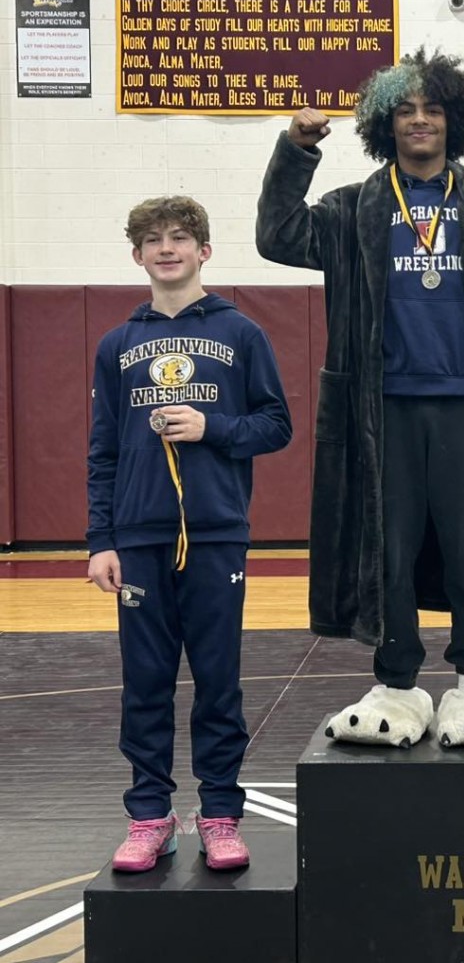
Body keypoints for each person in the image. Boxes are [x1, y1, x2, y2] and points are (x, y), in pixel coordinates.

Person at [256, 47, 464, 748]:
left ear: (455, 119)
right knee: (388, 550)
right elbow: (277, 236)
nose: (419, 119)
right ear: (385, 124)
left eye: (433, 108)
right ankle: (397, 682)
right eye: (405, 110)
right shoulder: (354, 208)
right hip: (382, 411)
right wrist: (296, 151)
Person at [87, 197, 292, 872]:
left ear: (204, 251)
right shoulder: (117, 345)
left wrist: (214, 428)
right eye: (153, 240)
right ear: (137, 255)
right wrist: (101, 539)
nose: (166, 248)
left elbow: (276, 425)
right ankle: (150, 815)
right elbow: (103, 451)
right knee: (145, 683)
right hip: (138, 539)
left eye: (179, 237)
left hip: (216, 534)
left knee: (217, 681)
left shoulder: (242, 333)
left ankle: (220, 813)